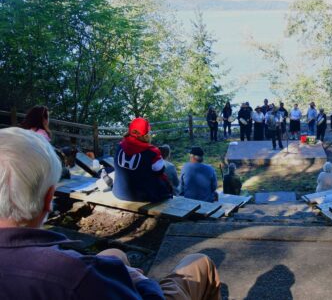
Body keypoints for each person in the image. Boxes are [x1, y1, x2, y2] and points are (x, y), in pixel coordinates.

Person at [0, 127, 221, 300]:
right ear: (49, 199)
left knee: (114, 254)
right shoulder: (74, 275)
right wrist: (141, 281)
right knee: (199, 263)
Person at [113, 117, 172, 202]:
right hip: (141, 196)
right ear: (146, 134)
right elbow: (160, 171)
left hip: (118, 192)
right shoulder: (152, 152)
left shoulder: (120, 146)